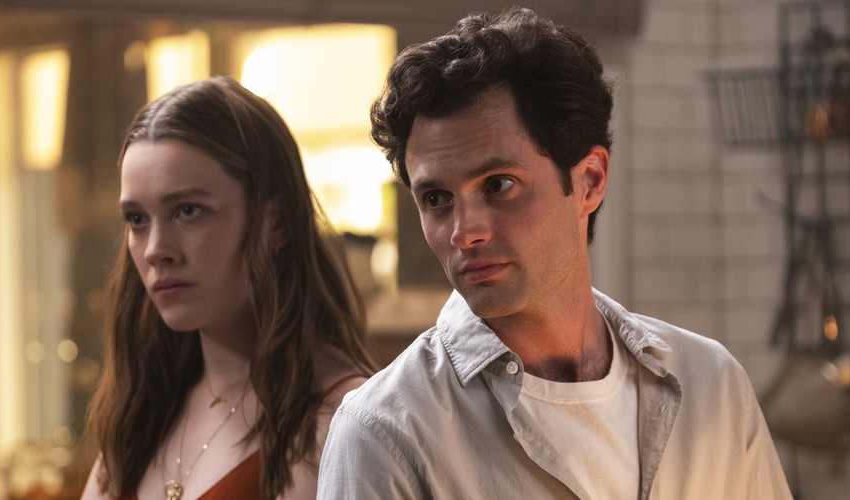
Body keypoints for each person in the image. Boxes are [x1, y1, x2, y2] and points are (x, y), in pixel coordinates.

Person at [318, 7, 791, 499]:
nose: (463, 232)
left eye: (498, 185)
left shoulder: (710, 385)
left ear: (590, 181)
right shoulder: (385, 434)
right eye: (437, 198)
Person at [81, 76, 377, 500]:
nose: (156, 250)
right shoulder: (142, 414)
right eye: (137, 219)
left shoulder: (339, 420)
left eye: (188, 210)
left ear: (276, 221)